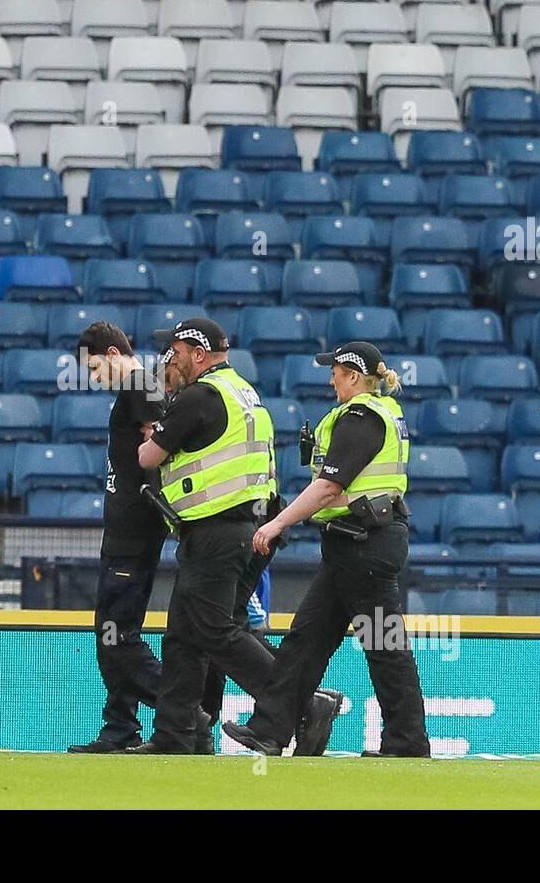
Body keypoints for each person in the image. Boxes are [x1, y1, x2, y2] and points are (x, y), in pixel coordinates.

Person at [123, 318, 335, 754]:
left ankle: (303, 703)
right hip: (248, 530)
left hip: (217, 532)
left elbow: (147, 456)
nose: (169, 358)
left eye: (176, 349)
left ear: (199, 353)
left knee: (216, 630)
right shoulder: (243, 392)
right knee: (184, 634)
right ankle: (174, 735)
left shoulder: (199, 395)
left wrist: (148, 431)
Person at [222, 342, 431, 758]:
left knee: (382, 643)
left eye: (334, 370)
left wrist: (279, 521)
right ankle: (269, 731)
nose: (330, 377)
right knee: (307, 641)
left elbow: (329, 486)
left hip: (364, 543)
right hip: (352, 542)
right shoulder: (377, 411)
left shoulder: (362, 416)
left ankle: (407, 742)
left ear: (353, 375)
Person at [66, 322, 171, 753]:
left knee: (116, 634)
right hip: (127, 531)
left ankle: (183, 711)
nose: (93, 378)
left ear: (113, 354)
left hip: (135, 532)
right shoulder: (136, 389)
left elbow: (161, 447)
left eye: (94, 368)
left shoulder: (139, 387)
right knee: (113, 633)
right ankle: (120, 725)